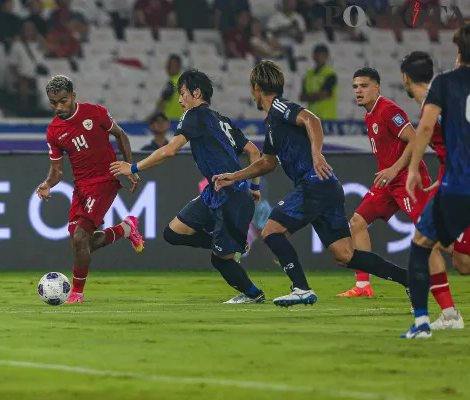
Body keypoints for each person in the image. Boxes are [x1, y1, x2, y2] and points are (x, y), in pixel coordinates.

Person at [213, 60, 410, 307]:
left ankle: (301, 288)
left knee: (271, 231)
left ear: (256, 87)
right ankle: (409, 279)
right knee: (345, 255)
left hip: (313, 183)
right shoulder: (271, 122)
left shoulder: (279, 106)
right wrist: (235, 176)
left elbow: (312, 120)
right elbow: (267, 163)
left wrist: (317, 154)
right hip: (327, 186)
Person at [111, 69, 265, 304]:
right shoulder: (223, 121)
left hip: (231, 196)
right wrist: (255, 187)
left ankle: (254, 294)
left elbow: (170, 150)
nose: (180, 100)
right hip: (219, 192)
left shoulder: (194, 115)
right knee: (172, 232)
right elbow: (254, 151)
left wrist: (133, 168)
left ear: (197, 92)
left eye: (182, 93)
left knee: (220, 260)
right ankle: (232, 242)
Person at [36, 75, 144, 304]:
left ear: (73, 96)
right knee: (80, 243)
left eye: (63, 100)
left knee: (79, 238)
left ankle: (77, 294)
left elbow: (120, 135)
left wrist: (130, 167)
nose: (58, 107)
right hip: (81, 187)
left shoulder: (95, 113)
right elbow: (57, 171)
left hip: (105, 179)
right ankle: (125, 229)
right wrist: (47, 183)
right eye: (53, 102)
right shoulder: (54, 131)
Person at [336, 68, 433, 297]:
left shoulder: (388, 110)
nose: (358, 91)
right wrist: (388, 172)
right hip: (387, 182)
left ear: (377, 87)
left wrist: (394, 168)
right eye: (355, 86)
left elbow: (416, 139)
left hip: (407, 178)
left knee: (430, 232)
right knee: (357, 222)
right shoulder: (369, 115)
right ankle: (363, 286)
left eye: (364, 85)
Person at [403, 25, 470, 339]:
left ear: (458, 51)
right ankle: (449, 314)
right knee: (460, 260)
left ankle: (421, 324)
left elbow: (426, 129)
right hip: (453, 181)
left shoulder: (444, 83)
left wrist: (414, 169)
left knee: (422, 245)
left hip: (459, 185)